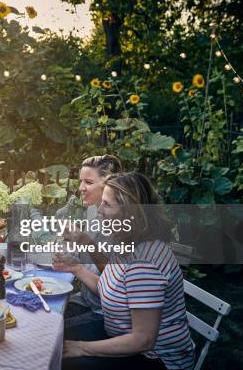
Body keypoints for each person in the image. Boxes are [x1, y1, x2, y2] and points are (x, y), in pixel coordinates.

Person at [53, 172, 195, 370]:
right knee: (53, 337)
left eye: (107, 205)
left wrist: (82, 348)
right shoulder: (128, 241)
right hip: (119, 337)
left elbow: (143, 340)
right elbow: (108, 287)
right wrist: (75, 268)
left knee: (61, 359)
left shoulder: (144, 265)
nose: (100, 210)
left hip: (154, 359)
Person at [67, 154, 122, 311]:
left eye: (89, 182)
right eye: (81, 181)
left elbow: (115, 277)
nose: (81, 188)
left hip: (104, 311)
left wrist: (84, 241)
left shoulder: (119, 220)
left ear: (109, 185)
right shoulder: (92, 210)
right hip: (84, 299)